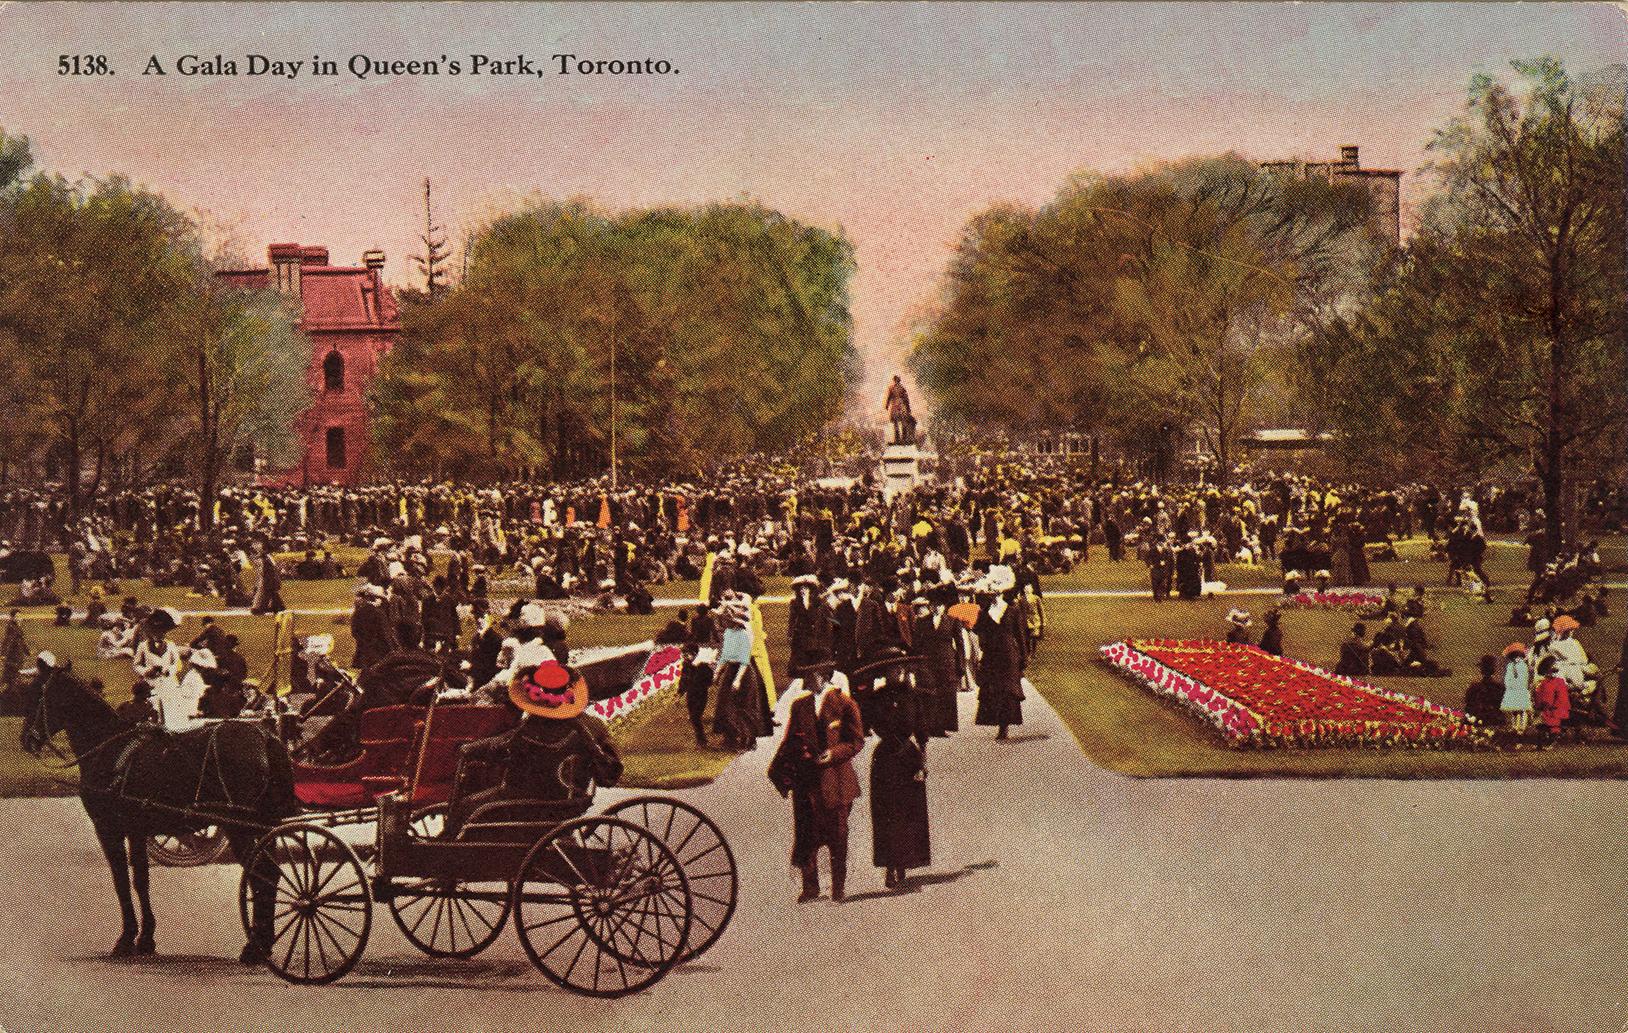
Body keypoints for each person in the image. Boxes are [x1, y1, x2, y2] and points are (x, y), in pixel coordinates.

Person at [446, 660, 622, 836]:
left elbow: (502, 746)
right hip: (571, 802)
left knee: (467, 806)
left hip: (529, 801)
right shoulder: (593, 726)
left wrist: (471, 749)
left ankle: (449, 849)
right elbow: (609, 773)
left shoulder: (538, 725)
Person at [768, 652, 865, 903]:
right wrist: (778, 771)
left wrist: (833, 754)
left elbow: (856, 742)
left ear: (821, 675)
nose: (806, 681)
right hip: (807, 782)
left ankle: (838, 888)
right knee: (806, 834)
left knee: (838, 835)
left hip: (837, 781)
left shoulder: (844, 704)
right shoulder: (800, 705)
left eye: (810, 675)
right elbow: (790, 741)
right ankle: (810, 887)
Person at [868, 659, 930, 890]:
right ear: (885, 672)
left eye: (900, 669)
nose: (897, 673)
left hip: (907, 757)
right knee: (887, 812)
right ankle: (890, 866)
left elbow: (922, 731)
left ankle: (905, 859)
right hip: (886, 758)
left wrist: (922, 763)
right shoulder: (878, 697)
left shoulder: (913, 697)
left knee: (908, 812)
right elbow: (874, 724)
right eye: (893, 670)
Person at [973, 566, 1026, 740]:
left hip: (1008, 653)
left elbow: (1020, 635)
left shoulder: (1013, 610)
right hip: (991, 654)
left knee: (1007, 691)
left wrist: (1023, 658)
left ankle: (1004, 726)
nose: (994, 594)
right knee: (993, 689)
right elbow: (978, 629)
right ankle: (997, 722)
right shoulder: (986, 611)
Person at [1532, 656, 1570, 743]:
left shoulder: (1547, 683)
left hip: (1553, 710)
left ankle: (1551, 738)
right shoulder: (1560, 681)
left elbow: (1546, 700)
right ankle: (1554, 736)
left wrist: (1540, 706)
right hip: (1563, 708)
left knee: (1547, 721)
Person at [1463, 655, 1505, 727]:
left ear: (1481, 670)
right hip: (1495, 720)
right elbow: (1501, 705)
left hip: (1478, 720)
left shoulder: (1474, 687)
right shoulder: (1499, 687)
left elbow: (1468, 705)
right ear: (1493, 669)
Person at [1500, 643, 1533, 734]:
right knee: (1514, 710)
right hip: (1513, 690)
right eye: (1515, 656)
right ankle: (1515, 726)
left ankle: (1522, 727)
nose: (1517, 658)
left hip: (1520, 690)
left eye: (1519, 655)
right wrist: (1510, 686)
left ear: (1522, 656)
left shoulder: (1523, 666)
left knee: (1522, 710)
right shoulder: (1510, 666)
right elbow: (1507, 678)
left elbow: (1524, 679)